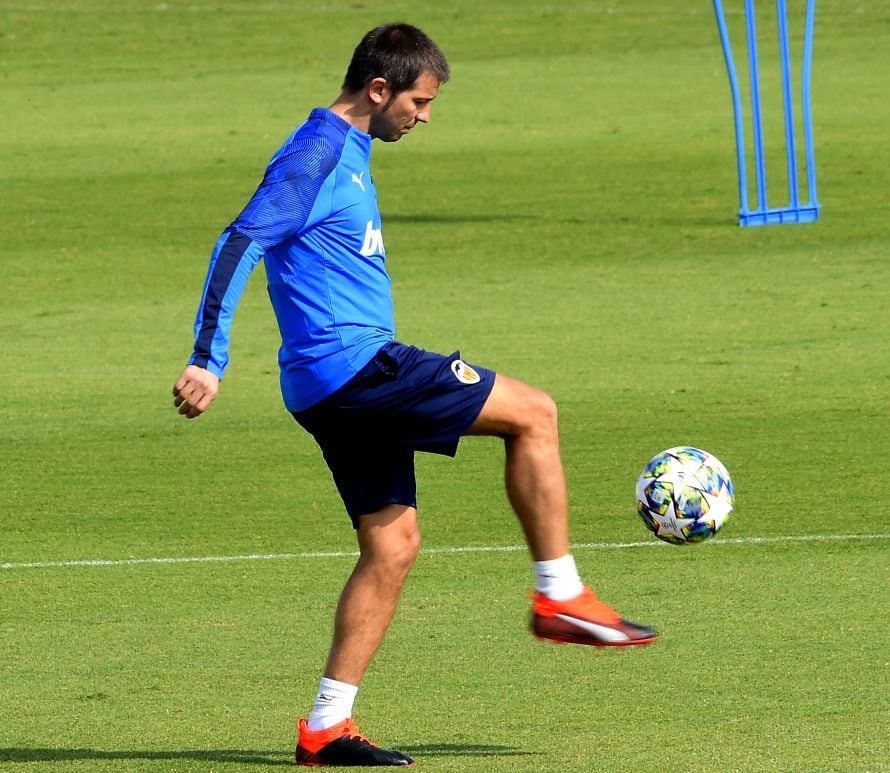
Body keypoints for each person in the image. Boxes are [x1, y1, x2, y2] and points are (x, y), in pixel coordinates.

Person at [171, 22, 658, 768]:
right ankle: (559, 594)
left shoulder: (349, 152)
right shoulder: (316, 153)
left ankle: (326, 727)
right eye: (420, 101)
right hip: (358, 371)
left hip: (329, 384)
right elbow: (239, 239)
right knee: (536, 413)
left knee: (392, 545)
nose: (425, 116)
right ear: (378, 89)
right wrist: (210, 358)